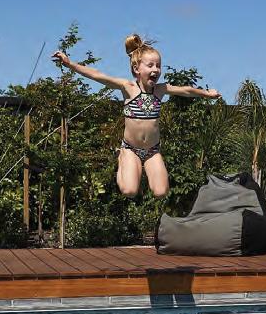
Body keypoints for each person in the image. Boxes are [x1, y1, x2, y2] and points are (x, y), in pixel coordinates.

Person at [52, 34, 220, 198]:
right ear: (136, 69)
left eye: (158, 66)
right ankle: (121, 157)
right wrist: (69, 63)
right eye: (150, 65)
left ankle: (139, 169)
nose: (155, 69)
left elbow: (186, 90)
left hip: (153, 150)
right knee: (129, 191)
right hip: (130, 149)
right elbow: (97, 75)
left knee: (161, 192)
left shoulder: (160, 90)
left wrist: (207, 93)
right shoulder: (128, 88)